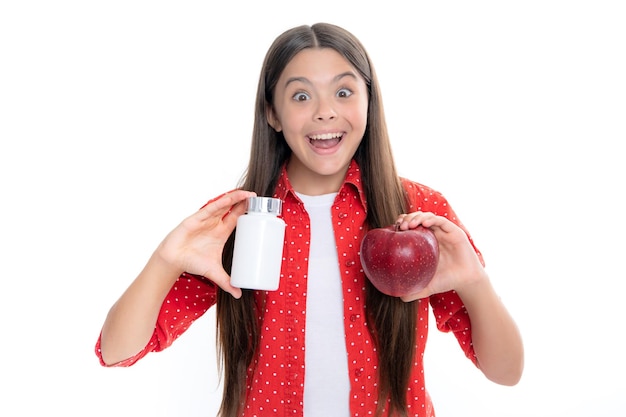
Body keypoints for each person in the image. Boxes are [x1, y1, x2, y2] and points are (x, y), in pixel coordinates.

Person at [95, 22, 524, 417]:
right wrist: (166, 259)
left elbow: (506, 371)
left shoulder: (417, 214)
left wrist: (474, 281)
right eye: (301, 96)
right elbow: (117, 350)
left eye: (343, 92)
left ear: (369, 101)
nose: (324, 112)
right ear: (273, 113)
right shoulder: (234, 221)